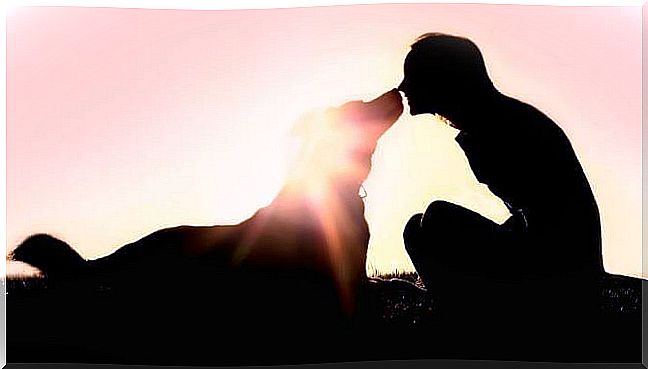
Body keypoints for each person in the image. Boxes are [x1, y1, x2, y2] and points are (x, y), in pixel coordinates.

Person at [398, 33, 603, 327]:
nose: (404, 86)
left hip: (557, 272)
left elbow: (550, 221)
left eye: (413, 76)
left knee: (434, 221)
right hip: (558, 262)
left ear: (442, 78)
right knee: (422, 226)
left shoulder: (500, 129)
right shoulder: (493, 121)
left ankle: (478, 316)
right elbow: (534, 213)